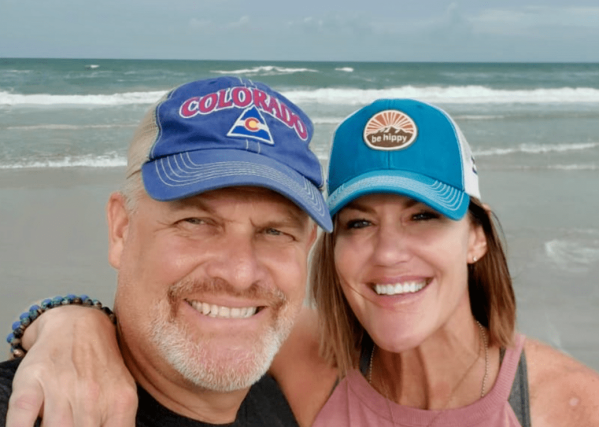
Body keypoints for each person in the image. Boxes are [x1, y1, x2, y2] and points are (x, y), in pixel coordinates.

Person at [6, 99, 599, 426]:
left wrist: (64, 318)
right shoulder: (302, 356)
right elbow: (172, 321)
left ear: (477, 237)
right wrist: (68, 321)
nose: (389, 253)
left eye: (423, 216)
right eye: (358, 223)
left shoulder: (572, 406)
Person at [0, 75, 334, 427]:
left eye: (274, 231)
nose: (240, 274)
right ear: (121, 230)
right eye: (195, 222)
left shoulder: (287, 393)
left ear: (307, 245)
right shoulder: (32, 407)